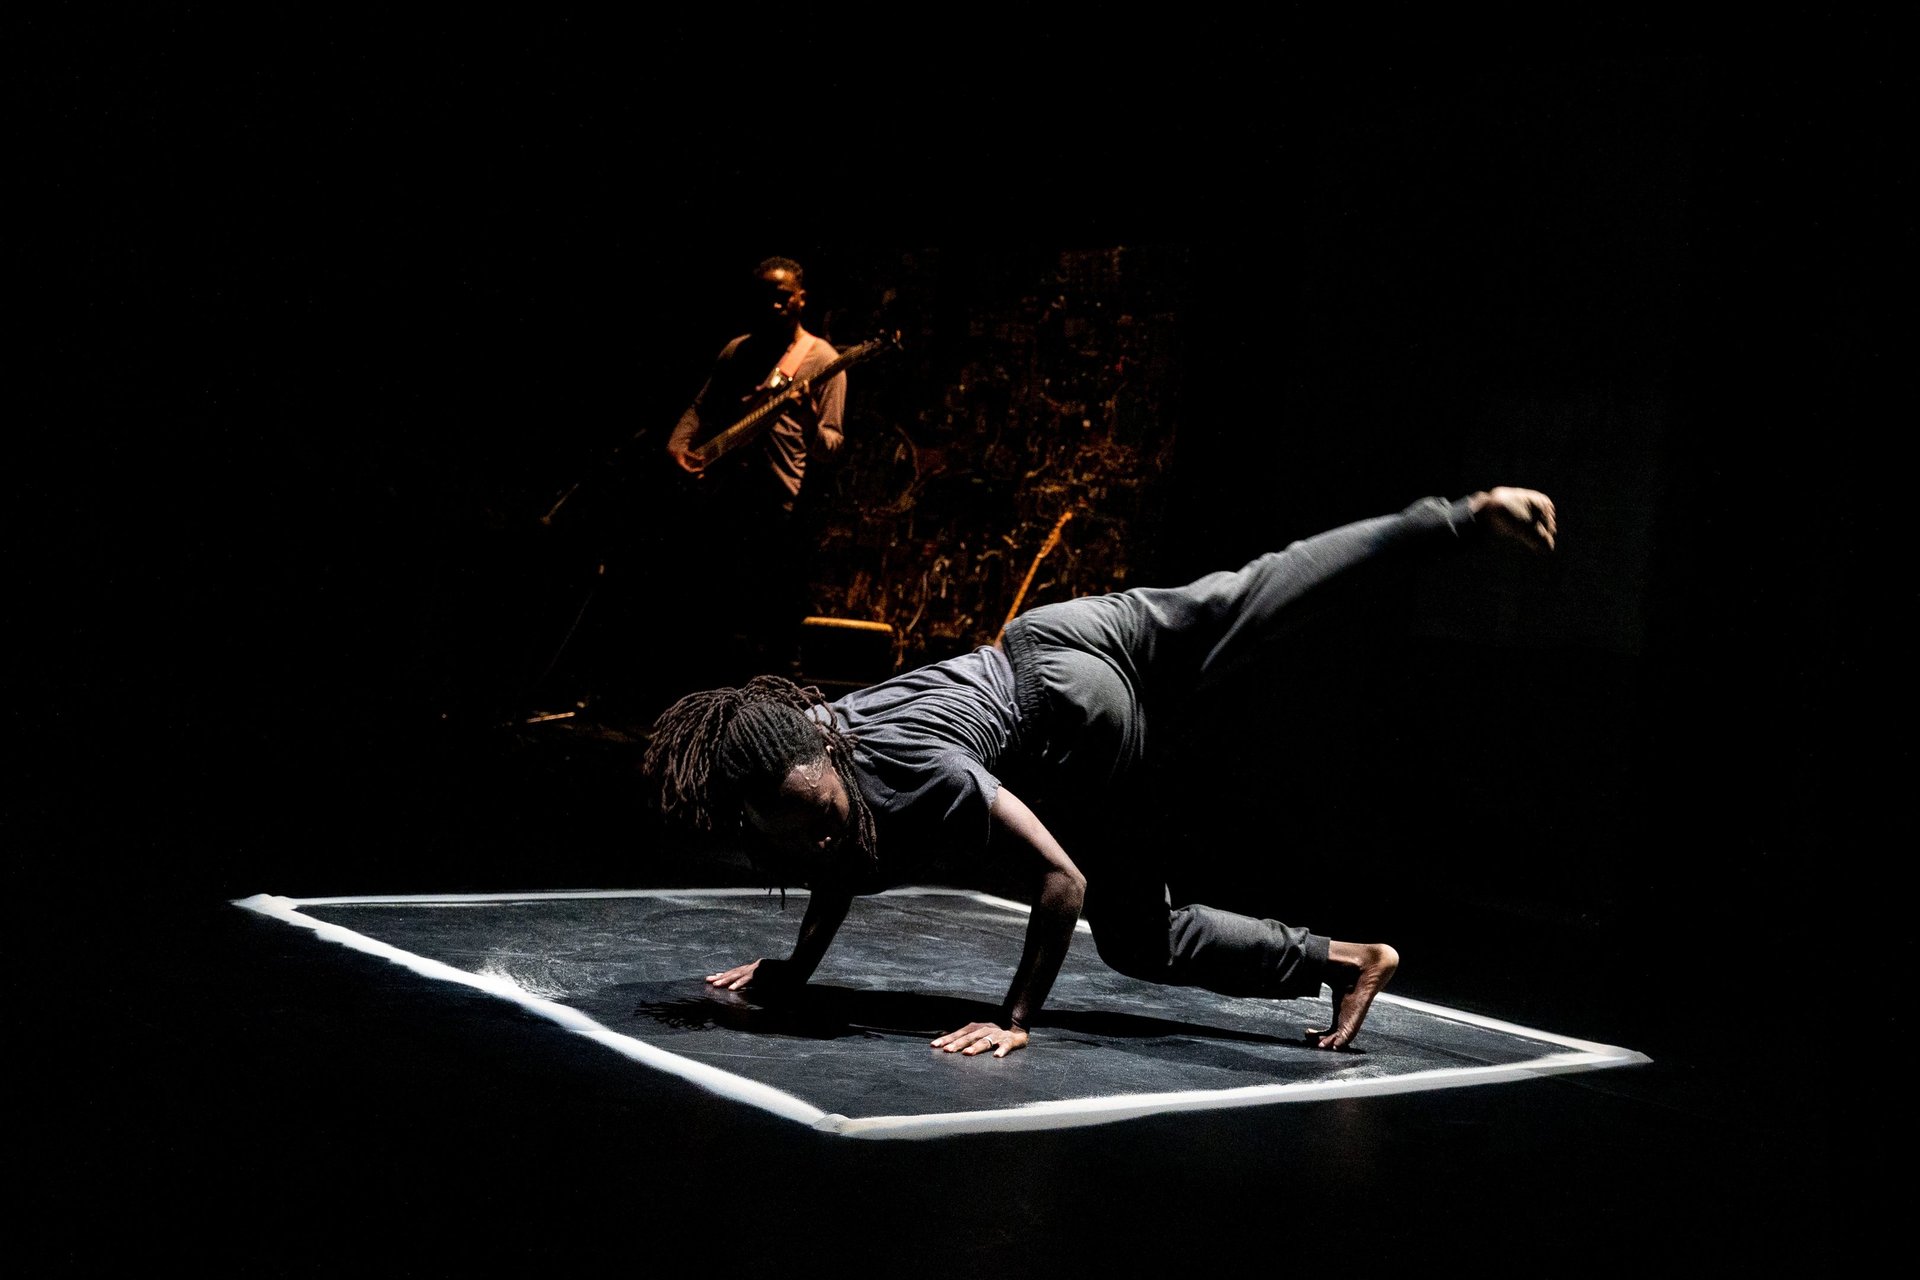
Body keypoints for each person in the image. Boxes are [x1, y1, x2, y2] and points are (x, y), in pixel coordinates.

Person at [641, 486, 1558, 1057]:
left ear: (822, 760)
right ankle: (1464, 516)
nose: (819, 840)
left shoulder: (917, 772)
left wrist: (1016, 1015)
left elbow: (1060, 877)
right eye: (795, 832)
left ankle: (1340, 958)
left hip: (1073, 716)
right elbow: (839, 859)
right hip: (1061, 630)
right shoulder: (801, 732)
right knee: (1250, 589)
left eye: (821, 818)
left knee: (1134, 935)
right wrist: (793, 969)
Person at [662, 256, 848, 685]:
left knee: (778, 632)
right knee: (717, 622)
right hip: (725, 502)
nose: (775, 307)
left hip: (783, 512)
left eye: (784, 298)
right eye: (765, 299)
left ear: (802, 298)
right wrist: (676, 447)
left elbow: (831, 446)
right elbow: (699, 408)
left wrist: (807, 419)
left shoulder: (823, 359)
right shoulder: (738, 351)